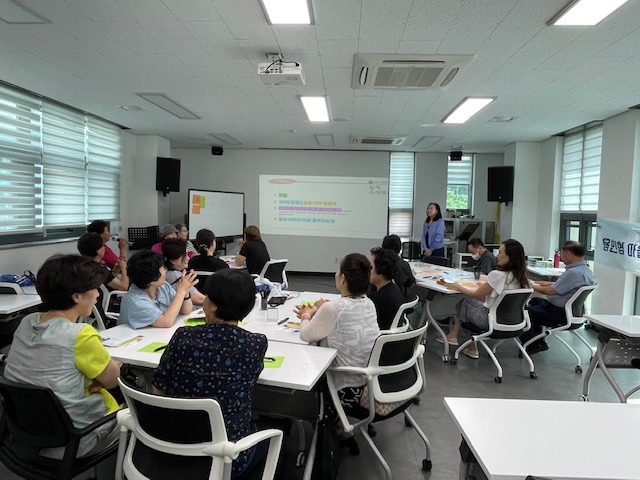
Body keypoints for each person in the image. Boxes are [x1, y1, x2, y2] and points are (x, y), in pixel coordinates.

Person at [152, 269, 268, 479]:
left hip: (174, 447)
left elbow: (158, 387)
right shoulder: (255, 343)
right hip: (228, 456)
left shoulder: (183, 336)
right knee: (279, 435)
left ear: (213, 305)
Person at [4, 255, 121, 459]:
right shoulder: (80, 334)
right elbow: (112, 381)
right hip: (76, 439)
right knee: (134, 413)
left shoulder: (27, 322)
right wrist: (101, 376)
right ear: (77, 296)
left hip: (28, 434)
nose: (96, 295)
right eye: (93, 289)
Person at [295, 253, 380, 414]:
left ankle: (333, 423)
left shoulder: (333, 308)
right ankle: (342, 428)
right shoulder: (369, 303)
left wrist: (306, 314)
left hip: (344, 389)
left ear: (342, 279)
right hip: (368, 382)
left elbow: (306, 334)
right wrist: (320, 310)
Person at [440, 239, 529, 359]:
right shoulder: (523, 278)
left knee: (466, 302)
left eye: (500, 252)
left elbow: (477, 295)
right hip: (516, 322)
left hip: (490, 321)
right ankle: (464, 342)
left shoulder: (497, 275)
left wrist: (459, 287)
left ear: (510, 257)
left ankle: (461, 340)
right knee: (474, 305)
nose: (497, 255)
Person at [520, 241, 595, 355]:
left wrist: (531, 285)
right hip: (574, 312)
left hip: (560, 313)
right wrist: (535, 282)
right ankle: (538, 339)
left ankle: (533, 344)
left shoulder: (573, 273)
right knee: (535, 301)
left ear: (568, 254)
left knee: (525, 312)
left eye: (562, 253)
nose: (561, 256)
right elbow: (557, 285)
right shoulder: (586, 271)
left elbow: (550, 291)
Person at [118, 250, 197, 329]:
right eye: (162, 269)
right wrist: (181, 292)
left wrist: (186, 292)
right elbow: (166, 321)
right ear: (151, 280)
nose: (165, 271)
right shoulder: (135, 300)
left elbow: (186, 311)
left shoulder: (163, 286)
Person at [368, 247, 405, 330]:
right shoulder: (393, 288)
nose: (368, 271)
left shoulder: (378, 298)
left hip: (380, 337)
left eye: (371, 267)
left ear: (381, 269)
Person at [161, 238, 206, 306]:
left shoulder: (165, 273)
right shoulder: (176, 276)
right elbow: (200, 299)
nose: (188, 258)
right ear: (173, 260)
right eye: (184, 255)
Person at [381, 234, 416, 299]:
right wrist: (410, 274)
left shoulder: (377, 262)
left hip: (378, 300)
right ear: (399, 248)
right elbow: (410, 283)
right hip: (397, 300)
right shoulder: (403, 264)